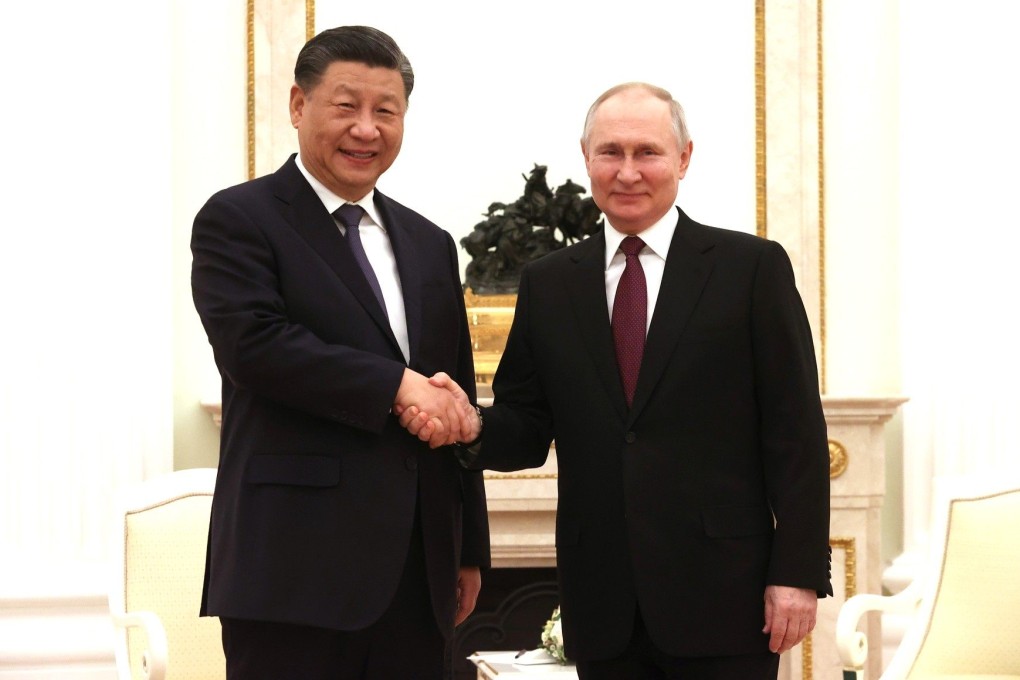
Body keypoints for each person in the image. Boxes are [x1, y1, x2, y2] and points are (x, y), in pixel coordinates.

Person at [401, 82, 832, 679]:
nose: (628, 172)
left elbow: (797, 435)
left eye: (647, 152)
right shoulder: (550, 282)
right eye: (611, 153)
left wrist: (798, 574)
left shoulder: (751, 270)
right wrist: (471, 423)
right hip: (602, 604)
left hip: (725, 600)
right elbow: (526, 426)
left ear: (683, 158)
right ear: (586, 158)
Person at [191, 25, 489, 680]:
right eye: (346, 105)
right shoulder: (239, 219)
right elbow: (255, 346)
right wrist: (396, 386)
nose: (366, 128)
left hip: (419, 575)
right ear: (299, 106)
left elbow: (453, 386)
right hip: (293, 575)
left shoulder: (429, 242)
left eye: (386, 111)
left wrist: (468, 548)